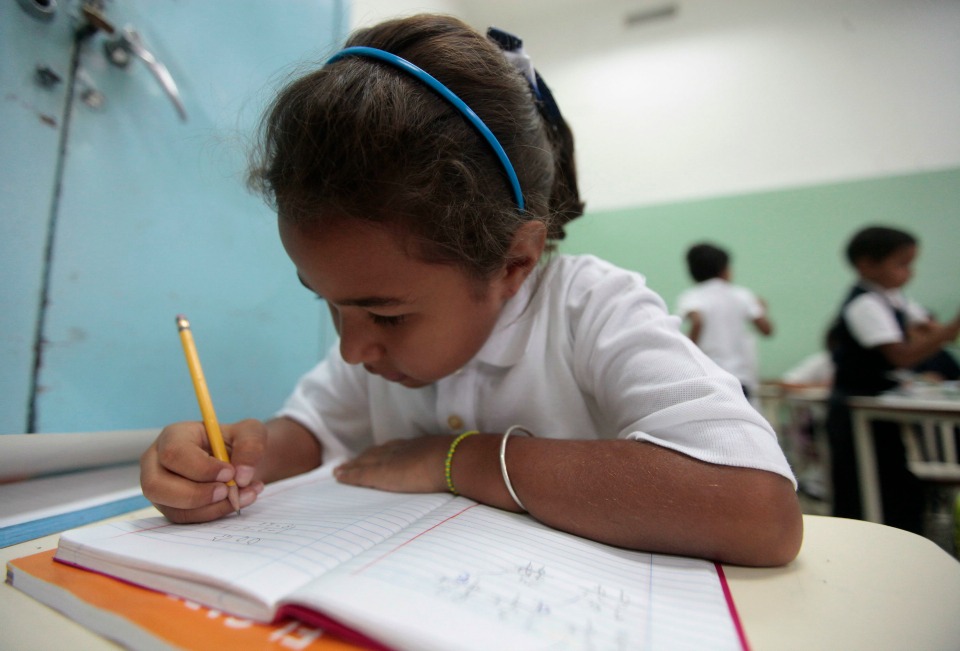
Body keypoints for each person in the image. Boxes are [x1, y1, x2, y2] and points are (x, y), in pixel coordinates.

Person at [140, 15, 801, 567]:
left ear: (515, 261)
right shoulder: (379, 360)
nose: (352, 349)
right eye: (328, 302)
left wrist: (459, 459)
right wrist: (226, 459)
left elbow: (758, 510)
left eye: (386, 315)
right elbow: (310, 433)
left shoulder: (589, 311)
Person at [825, 225, 960, 532]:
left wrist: (939, 333)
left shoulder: (894, 299)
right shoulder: (864, 304)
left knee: (895, 481)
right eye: (901, 264)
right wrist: (950, 329)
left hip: (881, 406)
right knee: (865, 486)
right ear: (866, 265)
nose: (909, 273)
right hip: (856, 406)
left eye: (911, 264)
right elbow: (899, 355)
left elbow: (926, 330)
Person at [675, 243, 774, 401]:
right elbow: (767, 330)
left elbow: (697, 321)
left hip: (708, 374)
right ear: (725, 269)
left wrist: (687, 351)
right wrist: (762, 309)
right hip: (741, 376)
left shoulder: (691, 296)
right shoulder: (743, 295)